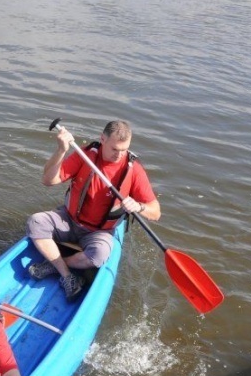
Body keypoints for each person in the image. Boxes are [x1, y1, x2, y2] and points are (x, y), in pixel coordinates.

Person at [27, 120, 161, 299]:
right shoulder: (85, 155)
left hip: (99, 231)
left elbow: (156, 212)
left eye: (124, 149)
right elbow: (48, 180)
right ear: (102, 139)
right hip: (69, 219)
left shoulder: (134, 170)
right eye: (114, 149)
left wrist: (139, 206)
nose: (119, 155)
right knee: (35, 222)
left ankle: (54, 265)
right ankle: (67, 275)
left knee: (99, 255)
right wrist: (61, 150)